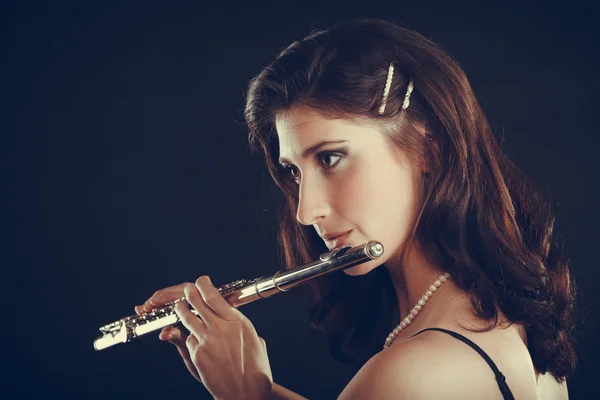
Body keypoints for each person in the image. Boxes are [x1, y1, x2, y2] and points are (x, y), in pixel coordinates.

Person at [135, 19, 577, 399]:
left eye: (330, 158)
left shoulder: (409, 374)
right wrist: (260, 388)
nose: (306, 212)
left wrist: (243, 395)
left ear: (430, 150)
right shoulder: (501, 319)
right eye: (294, 172)